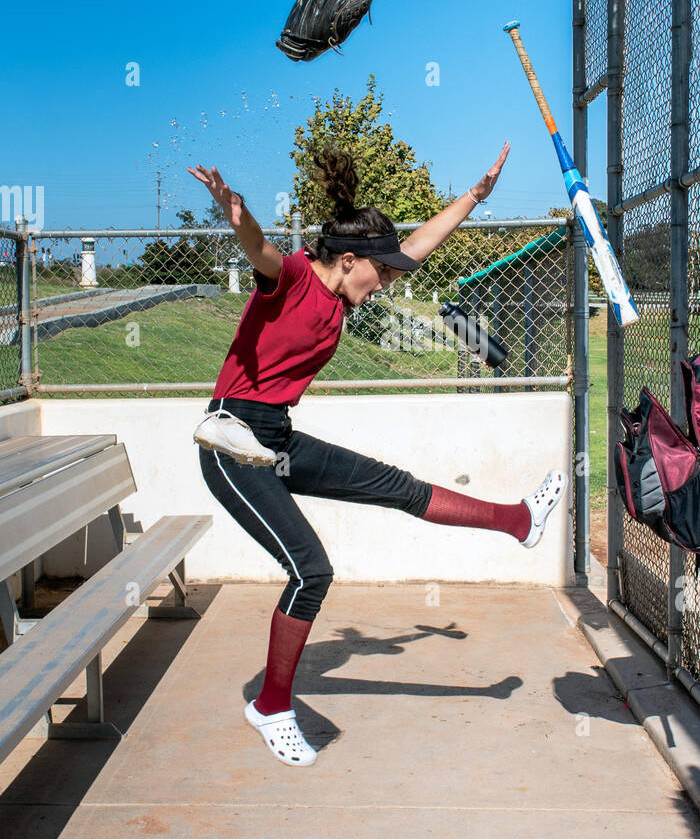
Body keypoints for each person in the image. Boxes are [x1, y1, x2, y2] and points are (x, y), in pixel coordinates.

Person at [186, 146, 566, 766]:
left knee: (400, 487)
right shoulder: (297, 277)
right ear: (350, 259)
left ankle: (518, 521)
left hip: (274, 437)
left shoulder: (343, 293)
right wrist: (237, 213)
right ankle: (271, 704)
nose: (389, 281)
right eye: (381, 272)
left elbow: (416, 249)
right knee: (312, 571)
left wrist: (474, 197)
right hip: (231, 441)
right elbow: (260, 251)